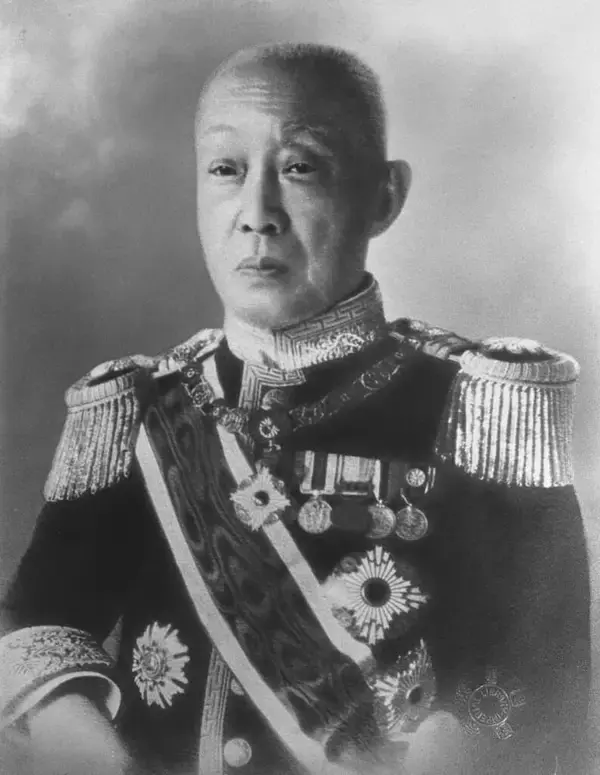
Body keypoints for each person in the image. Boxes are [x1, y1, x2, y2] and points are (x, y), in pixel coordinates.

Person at [0, 43, 591, 775]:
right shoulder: (141, 410)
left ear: (385, 196)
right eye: (225, 169)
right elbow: (38, 618)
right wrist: (76, 732)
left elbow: (542, 674)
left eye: (300, 167)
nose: (257, 215)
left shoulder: (478, 408)